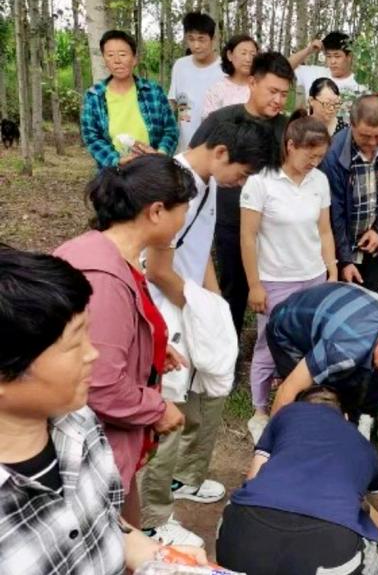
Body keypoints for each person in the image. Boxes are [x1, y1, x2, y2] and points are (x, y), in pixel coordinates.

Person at [0, 246, 207, 574]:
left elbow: (103, 520)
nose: (92, 354)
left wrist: (153, 554)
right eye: (74, 344)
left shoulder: (80, 422)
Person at [139, 117, 274, 545]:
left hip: (188, 306)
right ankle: (150, 519)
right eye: (243, 172)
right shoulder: (173, 186)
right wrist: (199, 309)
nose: (242, 182)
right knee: (168, 411)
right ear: (220, 153)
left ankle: (182, 480)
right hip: (165, 313)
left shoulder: (208, 182)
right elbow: (158, 270)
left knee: (202, 398)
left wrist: (213, 305)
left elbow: (198, 252)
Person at [54, 156, 193, 532]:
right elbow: (99, 384)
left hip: (101, 446)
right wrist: (157, 408)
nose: (183, 221)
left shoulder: (105, 253)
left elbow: (110, 334)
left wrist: (149, 346)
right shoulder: (105, 278)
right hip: (93, 452)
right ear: (157, 211)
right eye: (182, 211)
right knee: (113, 544)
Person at [217, 386, 378, 575]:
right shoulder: (362, 444)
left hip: (239, 539)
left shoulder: (285, 416)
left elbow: (252, 480)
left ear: (300, 406)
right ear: (345, 417)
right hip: (332, 554)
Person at [241, 115, 337, 442]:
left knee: (308, 344)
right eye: (310, 155)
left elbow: (324, 231)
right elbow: (248, 237)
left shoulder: (319, 181)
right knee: (269, 344)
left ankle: (297, 404)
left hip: (313, 276)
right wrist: (254, 284)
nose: (314, 162)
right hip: (275, 279)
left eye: (320, 157)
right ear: (290, 145)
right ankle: (259, 410)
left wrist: (331, 269)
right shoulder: (261, 182)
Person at [191, 50, 294, 336]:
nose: (278, 100)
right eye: (272, 91)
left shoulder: (286, 129)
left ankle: (273, 345)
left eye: (284, 94)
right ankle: (228, 345)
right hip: (230, 219)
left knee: (277, 288)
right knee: (233, 288)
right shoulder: (222, 121)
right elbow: (196, 161)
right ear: (252, 82)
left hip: (273, 225)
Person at [264, 282, 378, 417]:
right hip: (288, 324)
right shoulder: (342, 352)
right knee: (308, 396)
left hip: (330, 308)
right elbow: (288, 389)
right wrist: (269, 444)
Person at [321, 94, 378, 292]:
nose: (373, 142)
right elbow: (335, 212)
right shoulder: (334, 154)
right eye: (365, 136)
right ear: (351, 124)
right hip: (341, 249)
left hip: (375, 246)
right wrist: (345, 260)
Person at [81, 30, 177, 169]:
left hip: (152, 169)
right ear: (104, 60)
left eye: (122, 54)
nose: (117, 61)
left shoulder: (153, 91)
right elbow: (92, 137)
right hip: (114, 173)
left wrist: (160, 155)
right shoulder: (94, 96)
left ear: (134, 59)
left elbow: (170, 130)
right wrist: (117, 160)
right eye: (110, 55)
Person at [169, 12, 223, 151]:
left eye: (201, 39)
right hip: (184, 147)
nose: (196, 45)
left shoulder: (225, 69)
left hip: (215, 147)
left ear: (213, 39)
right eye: (191, 39)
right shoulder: (180, 66)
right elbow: (173, 102)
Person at [289, 31, 368, 118]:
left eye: (337, 56)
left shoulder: (359, 86)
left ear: (349, 57)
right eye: (329, 56)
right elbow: (284, 67)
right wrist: (308, 50)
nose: (332, 61)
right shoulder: (314, 73)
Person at [202, 34, 258, 119]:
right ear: (230, 55)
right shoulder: (217, 90)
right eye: (243, 53)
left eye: (253, 54)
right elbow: (208, 122)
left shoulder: (260, 88)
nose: (248, 59)